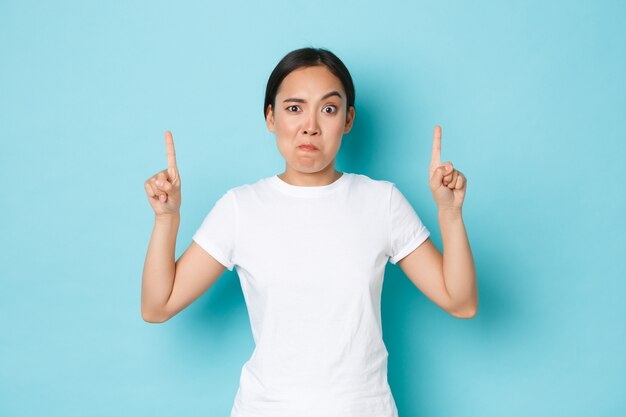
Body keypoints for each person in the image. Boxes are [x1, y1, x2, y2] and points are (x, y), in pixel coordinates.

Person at [141, 47, 478, 417]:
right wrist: (166, 219)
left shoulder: (382, 202)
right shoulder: (241, 207)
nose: (310, 125)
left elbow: (460, 302)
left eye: (328, 109)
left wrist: (449, 212)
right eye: (294, 108)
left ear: (348, 120)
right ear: (270, 117)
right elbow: (158, 306)